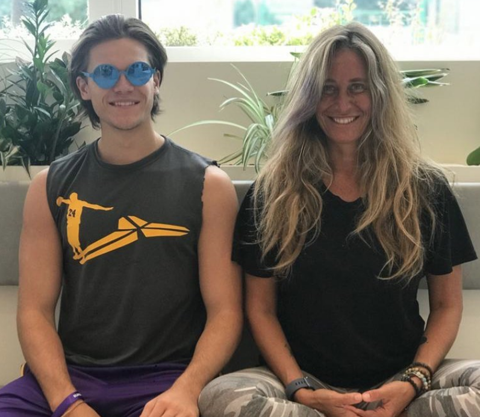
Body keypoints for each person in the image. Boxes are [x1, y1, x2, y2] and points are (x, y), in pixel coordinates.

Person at [198, 22, 480, 417]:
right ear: (309, 98)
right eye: (327, 89)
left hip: (403, 381)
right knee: (222, 397)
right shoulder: (272, 193)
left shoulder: (424, 189)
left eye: (357, 87)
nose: (342, 104)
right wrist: (301, 390)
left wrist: (411, 381)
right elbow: (260, 310)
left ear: (380, 93)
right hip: (302, 385)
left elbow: (447, 305)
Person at [0, 14, 242, 417]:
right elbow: (34, 312)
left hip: (167, 381)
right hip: (69, 379)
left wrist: (187, 390)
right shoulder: (49, 186)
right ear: (84, 86)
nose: (123, 85)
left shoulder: (208, 185)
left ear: (156, 80)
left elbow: (226, 312)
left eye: (138, 70)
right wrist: (67, 402)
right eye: (106, 73)